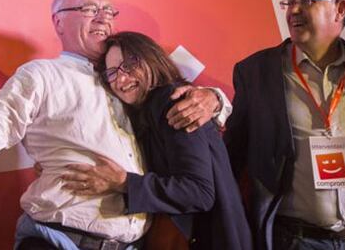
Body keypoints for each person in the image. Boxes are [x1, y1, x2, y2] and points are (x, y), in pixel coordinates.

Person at [0, 0, 231, 249]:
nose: (103, 18)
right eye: (89, 9)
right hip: (58, 240)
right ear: (58, 22)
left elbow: (177, 101)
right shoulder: (41, 75)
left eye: (108, 11)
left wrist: (215, 100)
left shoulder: (130, 82)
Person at [224, 0, 345, 250]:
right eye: (289, 2)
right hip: (293, 240)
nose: (293, 10)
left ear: (340, 8)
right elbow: (233, 153)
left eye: (306, 0)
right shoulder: (257, 72)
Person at [60, 31, 252, 250]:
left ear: (152, 59)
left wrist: (123, 182)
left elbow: (199, 192)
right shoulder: (142, 112)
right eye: (111, 73)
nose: (121, 79)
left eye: (130, 64)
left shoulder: (172, 102)